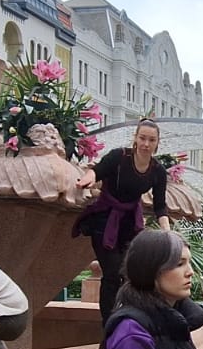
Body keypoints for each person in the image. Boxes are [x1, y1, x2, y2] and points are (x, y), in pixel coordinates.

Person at [72, 119, 171, 327]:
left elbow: (160, 206)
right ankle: (109, 325)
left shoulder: (157, 171)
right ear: (135, 138)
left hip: (130, 224)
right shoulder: (119, 157)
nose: (146, 144)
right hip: (104, 219)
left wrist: (167, 233)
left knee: (132, 273)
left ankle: (129, 320)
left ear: (157, 143)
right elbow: (97, 170)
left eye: (151, 140)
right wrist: (86, 179)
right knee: (112, 273)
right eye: (142, 138)